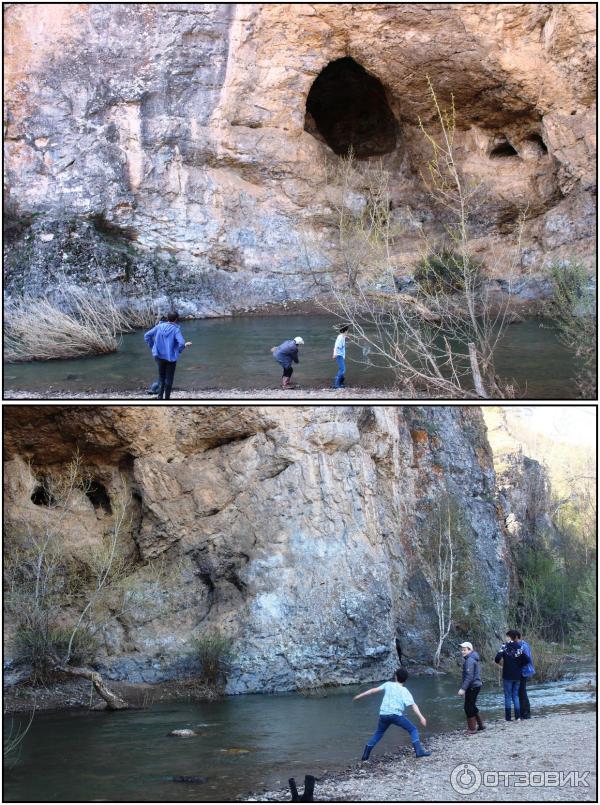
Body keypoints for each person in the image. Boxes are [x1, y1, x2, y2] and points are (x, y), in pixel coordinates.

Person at [353, 667, 431, 760]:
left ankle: (365, 755)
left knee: (378, 733)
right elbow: (413, 706)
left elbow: (373, 690)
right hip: (395, 716)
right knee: (413, 729)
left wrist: (359, 696)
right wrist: (421, 717)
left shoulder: (388, 684)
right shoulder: (405, 691)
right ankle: (419, 751)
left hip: (383, 715)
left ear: (395, 677)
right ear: (405, 680)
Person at [143, 311, 192, 400]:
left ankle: (160, 397)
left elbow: (146, 336)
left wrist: (153, 347)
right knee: (169, 380)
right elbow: (181, 343)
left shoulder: (159, 326)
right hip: (170, 358)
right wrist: (180, 349)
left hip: (158, 356)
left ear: (167, 318)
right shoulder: (175, 330)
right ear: (176, 319)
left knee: (162, 378)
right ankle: (167, 399)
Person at [494, 631, 528, 721]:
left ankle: (508, 718)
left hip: (507, 675)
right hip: (517, 675)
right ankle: (517, 717)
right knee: (515, 696)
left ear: (510, 637)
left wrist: (502, 664)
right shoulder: (519, 647)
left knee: (508, 696)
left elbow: (497, 658)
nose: (505, 638)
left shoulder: (504, 646)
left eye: (507, 636)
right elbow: (527, 660)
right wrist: (519, 666)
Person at [457, 641, 484, 733]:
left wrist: (463, 689)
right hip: (475, 686)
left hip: (473, 686)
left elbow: (469, 676)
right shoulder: (471, 659)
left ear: (470, 650)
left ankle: (472, 729)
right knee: (471, 705)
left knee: (468, 707)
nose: (462, 652)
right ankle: (481, 725)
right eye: (462, 650)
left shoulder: (470, 660)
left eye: (464, 650)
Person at [514, 629, 534, 719]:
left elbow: (526, 660)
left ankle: (525, 713)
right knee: (521, 692)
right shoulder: (519, 645)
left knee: (522, 692)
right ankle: (524, 713)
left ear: (516, 637)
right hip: (520, 671)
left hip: (523, 672)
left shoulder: (523, 646)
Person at [332, 325, 349, 389]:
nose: (348, 331)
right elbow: (337, 346)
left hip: (340, 355)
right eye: (347, 330)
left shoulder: (341, 336)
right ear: (345, 331)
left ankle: (340, 383)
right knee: (342, 369)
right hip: (339, 355)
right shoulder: (340, 338)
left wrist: (346, 337)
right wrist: (335, 354)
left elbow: (339, 343)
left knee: (342, 369)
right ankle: (337, 385)